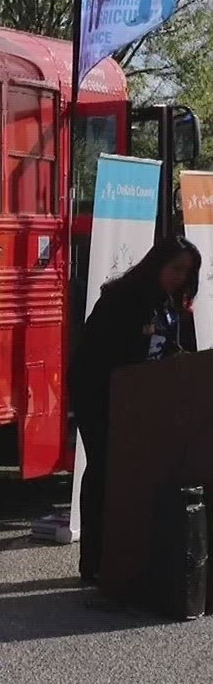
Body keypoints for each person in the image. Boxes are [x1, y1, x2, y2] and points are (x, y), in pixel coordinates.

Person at [70, 236, 202, 582]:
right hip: (103, 399)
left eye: (187, 273)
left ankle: (132, 559)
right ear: (156, 264)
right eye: (175, 269)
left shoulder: (172, 304)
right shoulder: (120, 300)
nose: (179, 277)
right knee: (104, 471)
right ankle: (94, 561)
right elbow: (97, 359)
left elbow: (175, 350)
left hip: (149, 404)